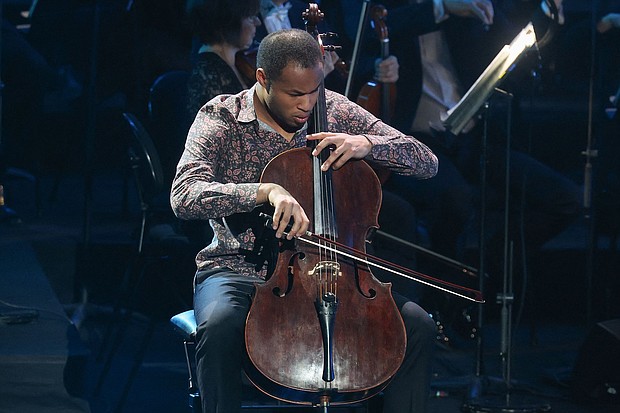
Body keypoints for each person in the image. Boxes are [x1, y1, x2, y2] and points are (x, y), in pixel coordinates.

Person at [171, 28, 439, 413]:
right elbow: (184, 195)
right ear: (262, 79)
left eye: (314, 91)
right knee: (220, 325)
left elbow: (426, 161)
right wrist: (264, 192)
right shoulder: (222, 117)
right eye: (295, 94)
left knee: (418, 327)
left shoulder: (334, 110)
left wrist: (369, 144)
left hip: (340, 273)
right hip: (238, 269)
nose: (307, 104)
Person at [323, 0, 583, 315]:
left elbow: (505, 41)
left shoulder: (459, 12)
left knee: (565, 198)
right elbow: (355, 37)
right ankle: (446, 303)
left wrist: (543, 14)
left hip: (472, 135)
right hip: (415, 144)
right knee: (455, 199)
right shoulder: (394, 10)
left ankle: (489, 266)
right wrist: (441, 8)